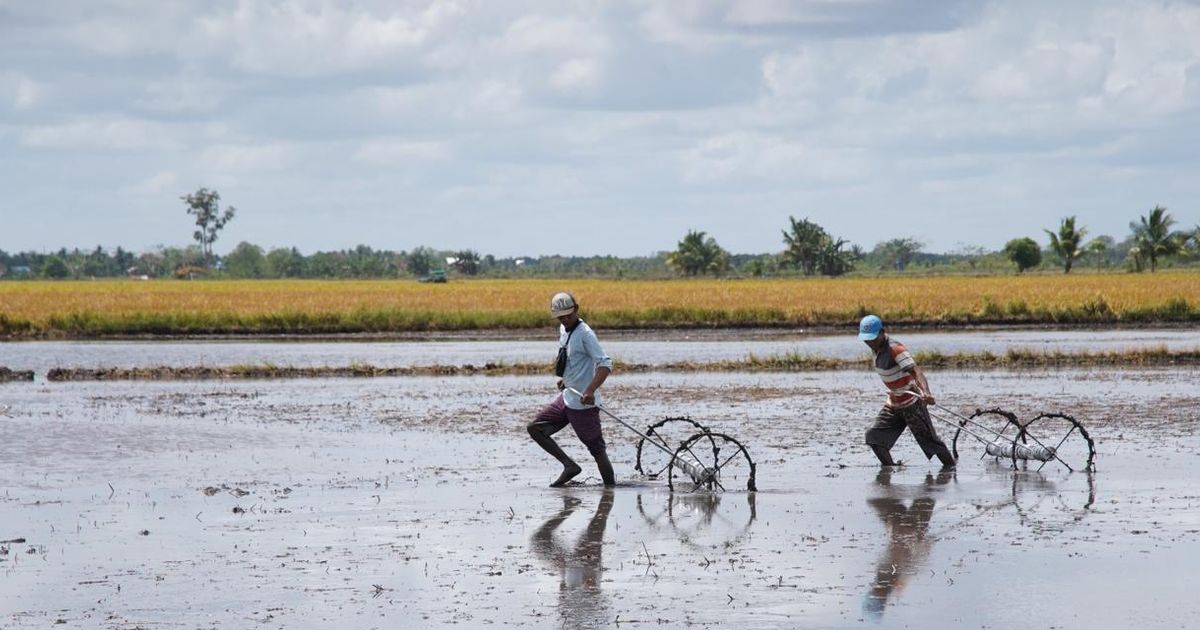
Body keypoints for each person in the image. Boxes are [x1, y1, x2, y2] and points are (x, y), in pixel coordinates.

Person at [527, 292, 616, 487]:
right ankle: (569, 466)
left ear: (576, 309)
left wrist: (591, 390)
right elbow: (571, 359)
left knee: (597, 450)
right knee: (535, 428)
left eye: (568, 315)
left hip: (583, 405)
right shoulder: (563, 329)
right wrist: (564, 378)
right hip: (568, 397)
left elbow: (605, 364)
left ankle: (610, 493)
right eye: (560, 317)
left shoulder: (585, 334)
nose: (565, 319)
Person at [858, 314, 956, 469]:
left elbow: (916, 371)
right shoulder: (876, 348)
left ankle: (951, 469)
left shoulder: (895, 349)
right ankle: (889, 469)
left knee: (931, 442)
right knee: (874, 436)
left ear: (882, 332)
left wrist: (926, 392)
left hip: (911, 402)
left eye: (873, 339)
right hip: (894, 402)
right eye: (866, 340)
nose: (870, 343)